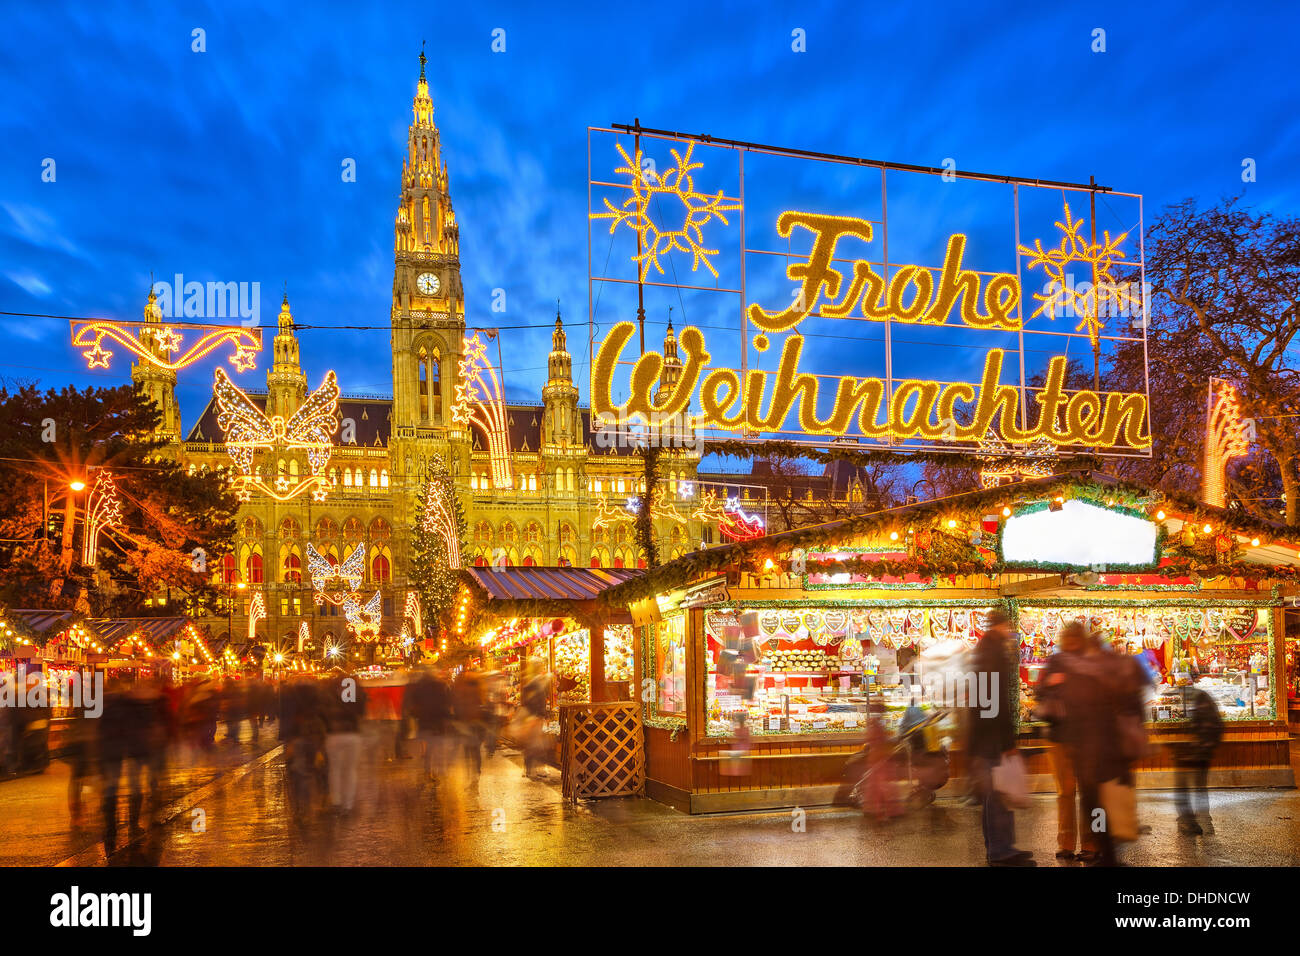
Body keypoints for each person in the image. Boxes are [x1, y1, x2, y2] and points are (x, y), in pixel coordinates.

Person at [967, 608, 1034, 866]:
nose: (1009, 632)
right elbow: (996, 701)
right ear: (1001, 626)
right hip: (992, 735)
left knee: (993, 794)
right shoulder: (993, 653)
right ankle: (1001, 850)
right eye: (1007, 627)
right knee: (999, 793)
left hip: (984, 733)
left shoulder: (984, 650)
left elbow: (984, 699)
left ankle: (997, 847)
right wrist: (1007, 741)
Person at [1037, 621, 1098, 863]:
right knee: (1067, 793)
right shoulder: (1057, 661)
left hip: (1085, 738)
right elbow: (1040, 691)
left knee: (1088, 794)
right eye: (1069, 638)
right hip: (1062, 737)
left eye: (1075, 638)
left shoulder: (1090, 662)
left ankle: (1092, 842)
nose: (1071, 642)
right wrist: (1052, 685)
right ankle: (1067, 843)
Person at [1174, 687, 1223, 835]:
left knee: (1183, 787)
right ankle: (1199, 818)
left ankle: (1189, 821)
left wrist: (1196, 746)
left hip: (1197, 753)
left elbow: (1202, 728)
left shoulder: (1199, 701)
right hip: (1201, 752)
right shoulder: (1202, 699)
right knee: (1198, 787)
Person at [323, 673, 367, 814]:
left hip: (334, 734)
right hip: (352, 734)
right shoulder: (357, 691)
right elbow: (362, 711)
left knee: (334, 770)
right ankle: (348, 804)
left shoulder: (329, 693)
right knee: (350, 770)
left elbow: (323, 712)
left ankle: (336, 802)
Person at [405, 667, 453, 784]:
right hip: (437, 722)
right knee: (436, 747)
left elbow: (412, 704)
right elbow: (446, 703)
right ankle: (434, 771)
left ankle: (428, 771)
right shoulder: (440, 686)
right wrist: (448, 717)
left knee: (429, 748)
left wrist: (416, 715)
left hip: (424, 721)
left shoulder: (418, 687)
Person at [452, 669, 487, 776]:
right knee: (476, 747)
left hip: (466, 720)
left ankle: (468, 767)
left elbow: (458, 704)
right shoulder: (479, 689)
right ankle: (477, 768)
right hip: (477, 720)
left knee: (467, 746)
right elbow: (482, 704)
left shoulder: (461, 689)